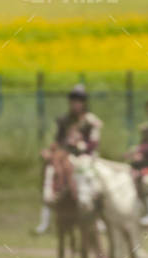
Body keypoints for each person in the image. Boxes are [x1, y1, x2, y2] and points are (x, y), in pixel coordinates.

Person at [35, 84, 105, 234]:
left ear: (83, 103)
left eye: (78, 100)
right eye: (73, 100)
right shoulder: (65, 120)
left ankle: (98, 218)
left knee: (88, 173)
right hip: (66, 155)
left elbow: (93, 143)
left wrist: (81, 145)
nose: (75, 103)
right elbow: (59, 140)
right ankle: (47, 213)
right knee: (50, 169)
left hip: (85, 156)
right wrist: (50, 150)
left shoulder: (90, 121)